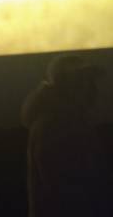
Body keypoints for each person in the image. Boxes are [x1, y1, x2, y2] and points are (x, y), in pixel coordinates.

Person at [21, 53, 112, 216]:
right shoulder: (55, 127)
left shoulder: (70, 122)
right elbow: (68, 192)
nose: (93, 88)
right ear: (68, 86)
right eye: (84, 81)